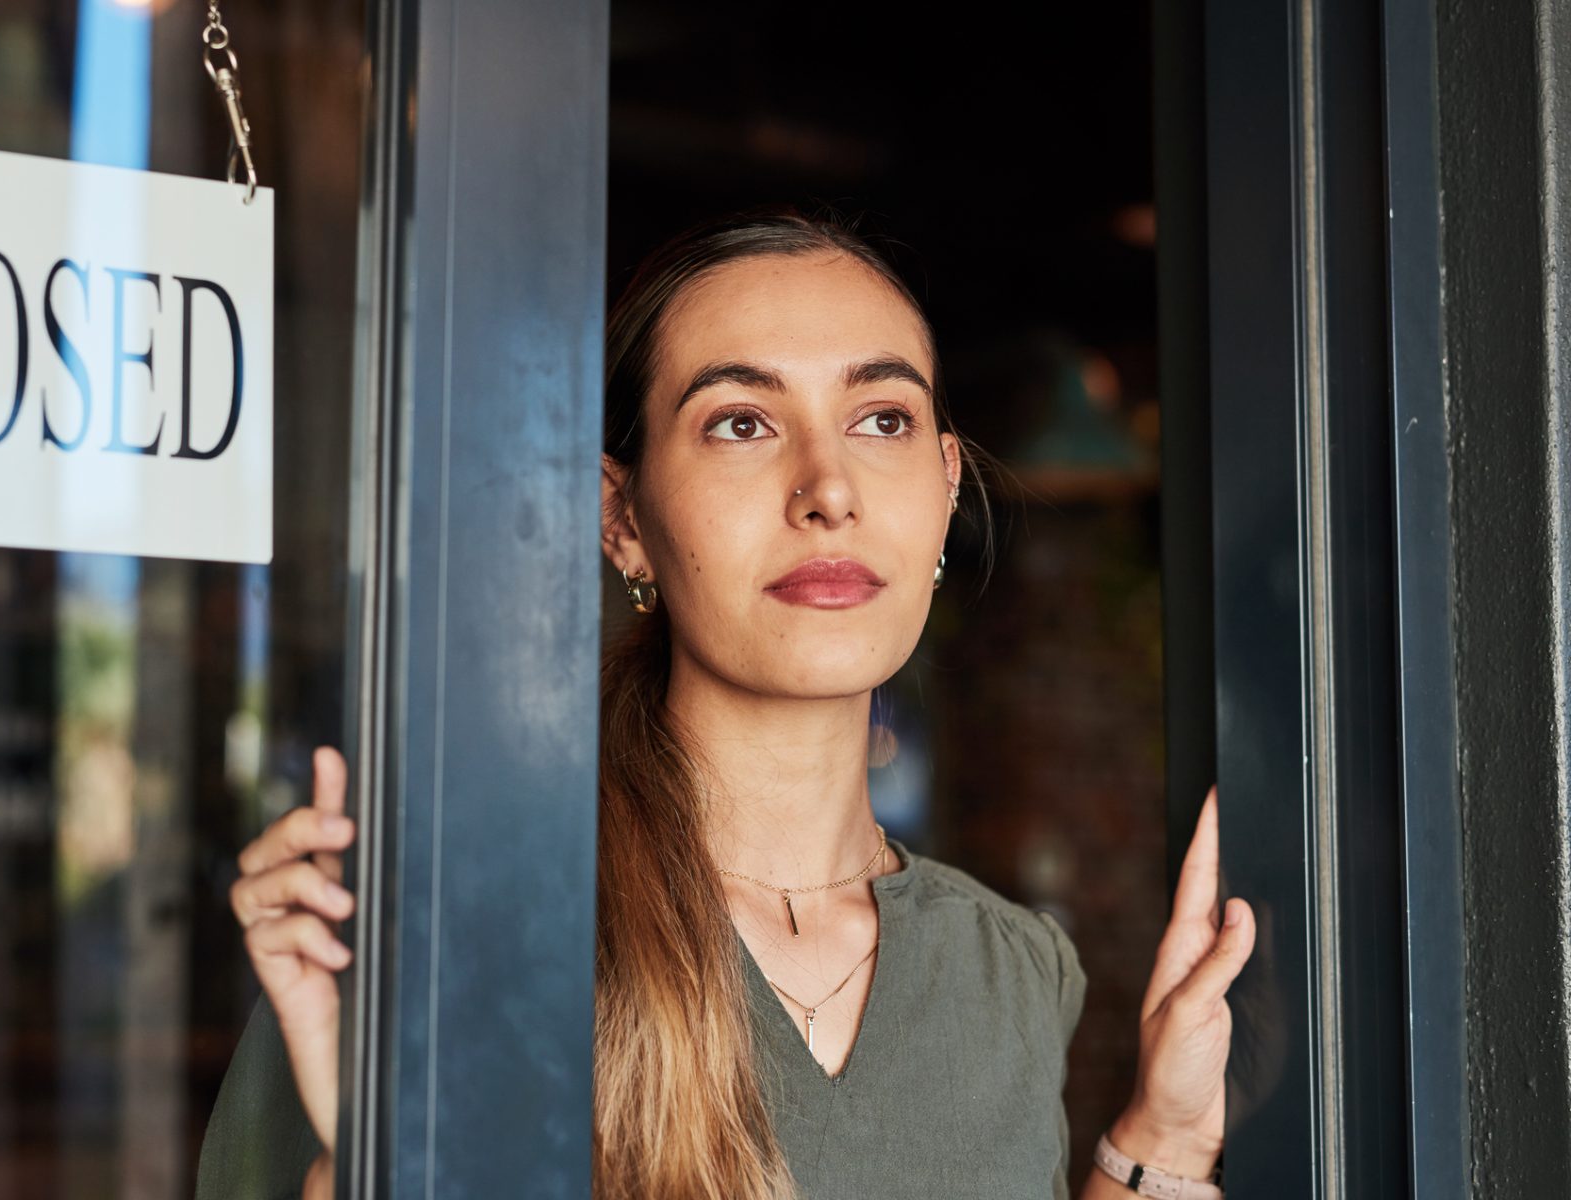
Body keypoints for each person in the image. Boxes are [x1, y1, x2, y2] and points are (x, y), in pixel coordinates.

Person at [195, 210, 1256, 1200]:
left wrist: (1155, 1144)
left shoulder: (1012, 972)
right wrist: (367, 1160)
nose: (826, 488)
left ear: (941, 492)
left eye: (880, 418)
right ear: (621, 518)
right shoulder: (456, 941)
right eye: (741, 423)